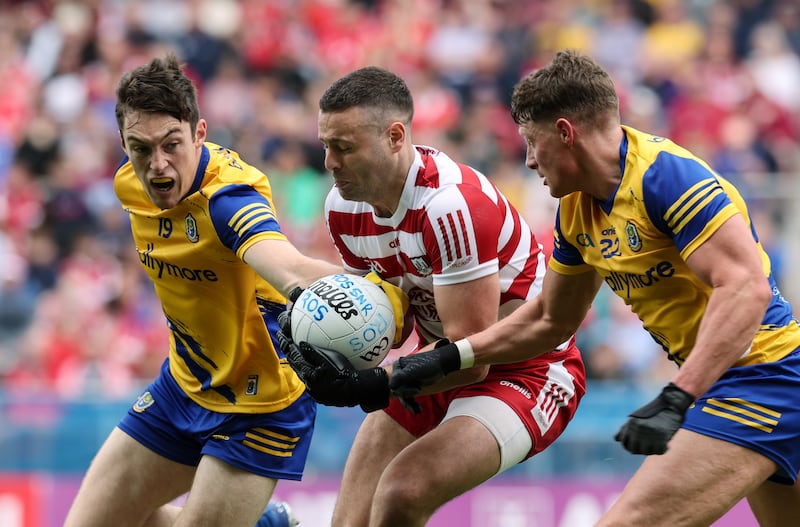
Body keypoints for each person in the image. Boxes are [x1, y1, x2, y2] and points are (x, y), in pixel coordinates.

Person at [388, 50, 800, 526]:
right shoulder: (577, 210)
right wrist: (449, 356)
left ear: (565, 133)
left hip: (762, 379)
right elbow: (550, 320)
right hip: (747, 383)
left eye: (531, 141)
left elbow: (747, 288)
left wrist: (679, 395)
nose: (527, 160)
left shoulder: (666, 177)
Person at [279, 66, 586, 527]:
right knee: (350, 521)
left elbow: (474, 356)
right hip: (436, 361)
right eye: (325, 145)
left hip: (529, 370)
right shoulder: (342, 208)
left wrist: (377, 383)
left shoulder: (451, 206)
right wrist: (319, 327)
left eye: (344, 147)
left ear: (395, 136)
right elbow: (387, 320)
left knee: (404, 491)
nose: (329, 162)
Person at [63, 53, 353, 527]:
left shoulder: (229, 199)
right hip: (184, 385)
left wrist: (382, 291)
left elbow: (289, 267)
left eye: (171, 144)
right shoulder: (128, 185)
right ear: (123, 144)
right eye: (140, 148)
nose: (157, 166)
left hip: (262, 407)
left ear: (200, 133)